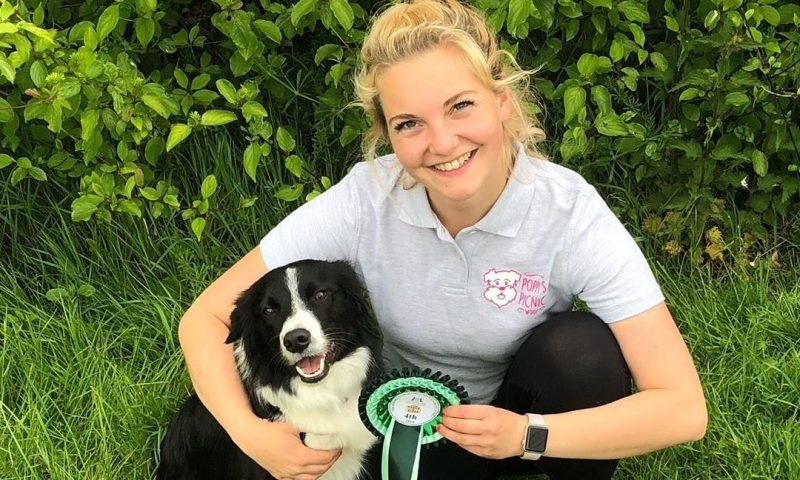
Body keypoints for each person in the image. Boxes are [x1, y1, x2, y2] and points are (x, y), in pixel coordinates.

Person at [176, 1, 707, 479]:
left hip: (512, 423)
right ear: (387, 134)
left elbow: (682, 408)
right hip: (390, 429)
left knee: (581, 348)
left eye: (460, 106)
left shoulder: (568, 212)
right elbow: (204, 319)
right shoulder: (367, 197)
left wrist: (527, 435)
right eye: (410, 123)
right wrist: (253, 436)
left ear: (501, 101)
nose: (442, 143)